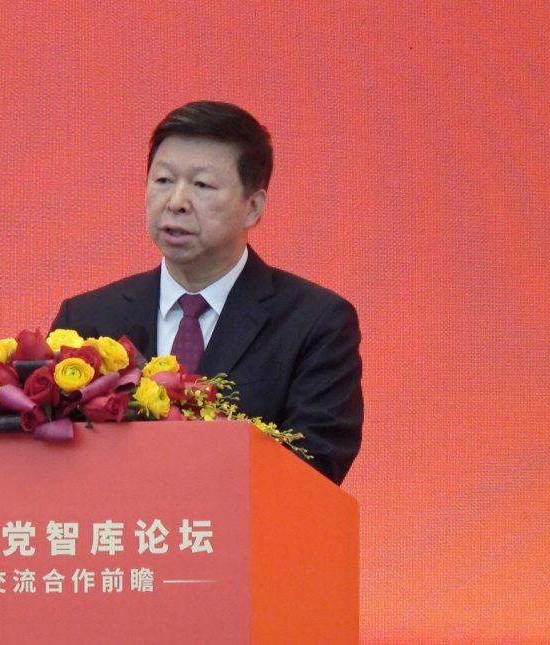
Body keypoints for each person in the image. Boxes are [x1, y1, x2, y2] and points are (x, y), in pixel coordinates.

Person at [51, 101, 362, 484]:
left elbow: (315, 465)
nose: (176, 202)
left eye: (202, 185)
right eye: (163, 181)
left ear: (253, 207)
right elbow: (52, 458)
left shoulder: (315, 323)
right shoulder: (87, 319)